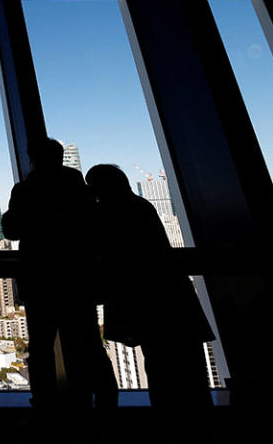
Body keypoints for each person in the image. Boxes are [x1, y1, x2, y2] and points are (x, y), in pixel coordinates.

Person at [85, 164, 214, 410]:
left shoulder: (107, 212)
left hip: (143, 300)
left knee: (159, 366)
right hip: (171, 294)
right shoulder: (140, 206)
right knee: (189, 367)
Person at [2, 138, 117, 413]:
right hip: (78, 278)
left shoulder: (26, 190)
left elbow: (11, 230)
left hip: (39, 280)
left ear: (34, 159)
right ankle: (99, 402)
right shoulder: (79, 189)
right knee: (87, 342)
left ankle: (45, 404)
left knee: (41, 347)